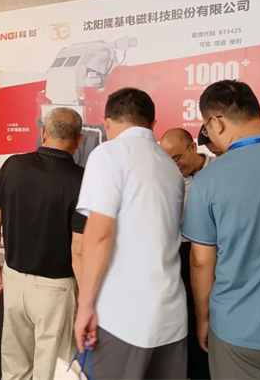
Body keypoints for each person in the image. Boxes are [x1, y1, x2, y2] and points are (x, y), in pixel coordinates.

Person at [182, 80, 260, 379]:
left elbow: (201, 261)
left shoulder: (208, 180)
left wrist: (203, 318)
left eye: (207, 128)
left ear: (216, 122)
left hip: (235, 330)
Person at [74, 87, 187, 379]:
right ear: (153, 124)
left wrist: (85, 305)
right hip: (172, 317)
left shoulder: (109, 154)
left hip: (123, 317)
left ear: (107, 122)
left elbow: (99, 235)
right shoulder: (170, 167)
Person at [0, 107, 86, 380]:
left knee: (14, 370)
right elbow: (79, 249)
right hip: (56, 290)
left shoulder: (12, 165)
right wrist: (86, 298)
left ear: (43, 133)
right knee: (52, 372)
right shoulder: (83, 180)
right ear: (79, 140)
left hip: (13, 281)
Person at [160, 127, 214, 379]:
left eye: (177, 158)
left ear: (193, 147)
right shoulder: (167, 177)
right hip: (180, 253)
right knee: (187, 315)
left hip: (212, 254)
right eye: (168, 160)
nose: (175, 165)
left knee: (209, 312)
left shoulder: (217, 170)